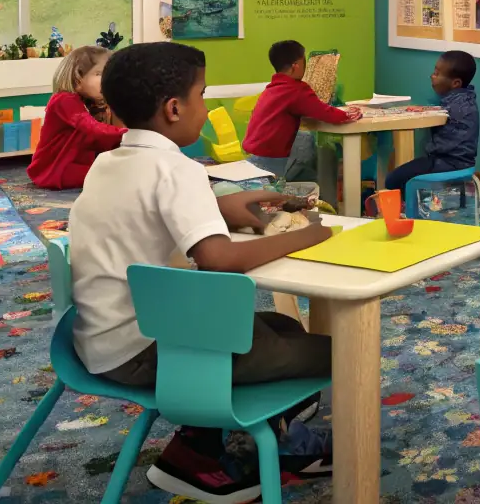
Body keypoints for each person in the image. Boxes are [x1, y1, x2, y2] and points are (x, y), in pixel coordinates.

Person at [69, 42, 335, 502]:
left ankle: (196, 448)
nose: (206, 107)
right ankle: (288, 450)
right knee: (330, 354)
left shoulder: (110, 163)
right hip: (150, 351)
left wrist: (227, 206)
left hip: (101, 340)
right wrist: (306, 236)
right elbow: (218, 259)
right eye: (202, 95)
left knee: (280, 324)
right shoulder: (178, 169)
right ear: (174, 108)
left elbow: (151, 213)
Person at [242, 40, 362, 178]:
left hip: (254, 154)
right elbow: (324, 112)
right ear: (296, 66)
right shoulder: (296, 90)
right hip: (271, 159)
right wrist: (348, 115)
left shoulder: (273, 88)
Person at [27, 46, 125, 190]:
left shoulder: (88, 101)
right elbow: (92, 128)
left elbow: (97, 139)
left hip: (74, 162)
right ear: (78, 77)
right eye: (99, 73)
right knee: (115, 175)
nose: (107, 80)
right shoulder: (63, 100)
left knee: (117, 170)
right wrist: (128, 134)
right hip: (56, 169)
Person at [384, 50, 479, 193]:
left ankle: (409, 207)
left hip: (447, 163)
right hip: (464, 163)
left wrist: (424, 112)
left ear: (455, 83)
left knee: (393, 179)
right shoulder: (465, 100)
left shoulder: (454, 107)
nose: (432, 76)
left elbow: (446, 115)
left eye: (437, 73)